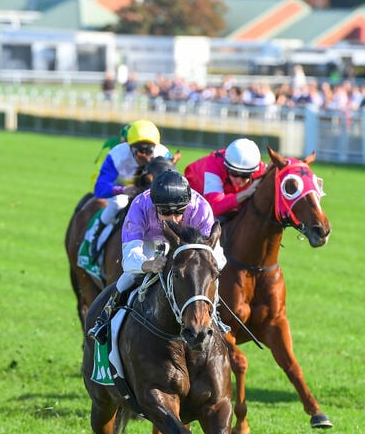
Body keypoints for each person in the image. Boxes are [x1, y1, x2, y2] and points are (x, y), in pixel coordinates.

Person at [87, 169, 226, 344]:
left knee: (207, 275)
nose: (173, 219)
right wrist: (149, 264)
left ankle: (215, 316)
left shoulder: (200, 208)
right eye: (165, 212)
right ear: (154, 205)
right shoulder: (139, 206)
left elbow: (216, 255)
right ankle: (106, 318)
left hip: (187, 247)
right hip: (149, 244)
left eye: (179, 212)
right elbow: (129, 257)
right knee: (129, 277)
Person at [92, 119, 175, 227]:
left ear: (155, 147)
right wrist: (123, 190)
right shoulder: (116, 155)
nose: (143, 155)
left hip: (151, 192)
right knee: (118, 204)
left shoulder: (164, 155)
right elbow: (99, 189)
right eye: (138, 149)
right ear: (129, 146)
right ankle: (95, 234)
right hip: (122, 189)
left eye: (148, 150)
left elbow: (172, 185)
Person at [184, 138, 268, 218]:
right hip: (194, 198)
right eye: (234, 173)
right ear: (226, 167)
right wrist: (246, 193)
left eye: (245, 175)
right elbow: (213, 208)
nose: (239, 180)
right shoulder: (213, 166)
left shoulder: (259, 167)